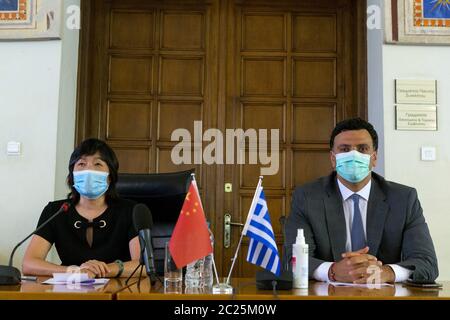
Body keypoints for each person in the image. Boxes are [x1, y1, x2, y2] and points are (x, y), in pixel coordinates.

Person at [285, 118, 438, 284]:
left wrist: (386, 273)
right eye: (344, 149)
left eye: (362, 148)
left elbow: (427, 263)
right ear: (333, 159)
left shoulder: (403, 198)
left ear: (374, 158)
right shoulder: (307, 197)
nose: (353, 155)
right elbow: (291, 259)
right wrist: (332, 271)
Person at [22, 138, 141, 278]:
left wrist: (102, 270)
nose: (89, 169)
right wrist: (74, 271)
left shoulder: (131, 211)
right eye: (82, 164)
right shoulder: (56, 211)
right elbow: (29, 263)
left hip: (118, 292)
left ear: (110, 177)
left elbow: (142, 264)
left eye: (97, 164)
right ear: (72, 175)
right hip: (70, 291)